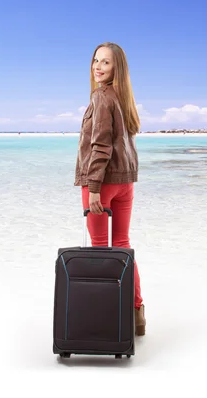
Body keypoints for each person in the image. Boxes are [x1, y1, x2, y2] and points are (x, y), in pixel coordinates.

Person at [74, 42, 146, 336]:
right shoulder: (123, 98)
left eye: (105, 62)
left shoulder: (102, 96)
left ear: (117, 68)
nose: (97, 67)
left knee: (101, 250)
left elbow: (100, 145)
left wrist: (93, 188)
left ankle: (105, 316)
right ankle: (136, 313)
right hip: (125, 182)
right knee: (123, 246)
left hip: (102, 184)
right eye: (95, 61)